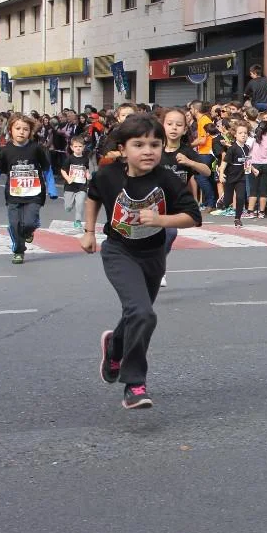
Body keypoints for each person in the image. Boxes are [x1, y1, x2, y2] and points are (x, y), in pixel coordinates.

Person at [82, 114, 201, 410]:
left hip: (153, 254)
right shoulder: (108, 175)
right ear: (122, 149)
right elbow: (93, 197)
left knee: (138, 313)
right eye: (139, 145)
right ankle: (134, 383)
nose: (148, 151)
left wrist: (161, 220)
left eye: (155, 145)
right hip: (119, 251)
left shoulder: (166, 179)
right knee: (143, 313)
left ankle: (115, 347)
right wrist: (89, 231)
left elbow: (193, 216)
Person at [0, 114, 58, 264]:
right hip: (14, 194)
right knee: (14, 225)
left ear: (30, 132)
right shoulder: (5, 150)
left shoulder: (36, 149)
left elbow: (47, 168)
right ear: (10, 130)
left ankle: (31, 228)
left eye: (25, 129)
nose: (21, 132)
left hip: (34, 193)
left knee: (29, 223)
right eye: (18, 128)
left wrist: (52, 189)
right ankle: (18, 251)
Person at [158, 107, 211, 285]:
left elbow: (207, 171)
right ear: (163, 126)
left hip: (175, 204)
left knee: (170, 233)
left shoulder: (187, 152)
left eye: (178, 125)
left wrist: (190, 162)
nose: (174, 128)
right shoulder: (155, 149)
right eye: (169, 124)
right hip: (153, 201)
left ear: (185, 129)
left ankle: (158, 267)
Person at [215, 121, 250, 227]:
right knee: (228, 201)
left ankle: (237, 218)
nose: (243, 135)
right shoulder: (232, 148)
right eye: (240, 133)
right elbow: (224, 162)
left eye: (245, 133)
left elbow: (247, 161)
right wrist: (221, 174)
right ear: (235, 135)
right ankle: (223, 200)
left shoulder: (247, 148)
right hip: (230, 176)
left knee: (240, 197)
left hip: (241, 177)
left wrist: (253, 170)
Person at [244, 120, 267, 218]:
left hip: (253, 165)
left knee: (253, 189)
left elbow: (245, 153)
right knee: (263, 189)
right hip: (266, 165)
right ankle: (261, 212)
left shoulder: (251, 139)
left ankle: (250, 211)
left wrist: (247, 166)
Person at [60, 135, 90, 230]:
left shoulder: (85, 159)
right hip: (70, 186)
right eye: (76, 146)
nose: (78, 148)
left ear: (83, 147)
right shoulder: (69, 159)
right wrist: (68, 178)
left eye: (80, 146)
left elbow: (86, 168)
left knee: (80, 203)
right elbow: (63, 170)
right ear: (72, 147)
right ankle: (70, 204)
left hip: (81, 186)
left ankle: (78, 221)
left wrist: (88, 174)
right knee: (68, 207)